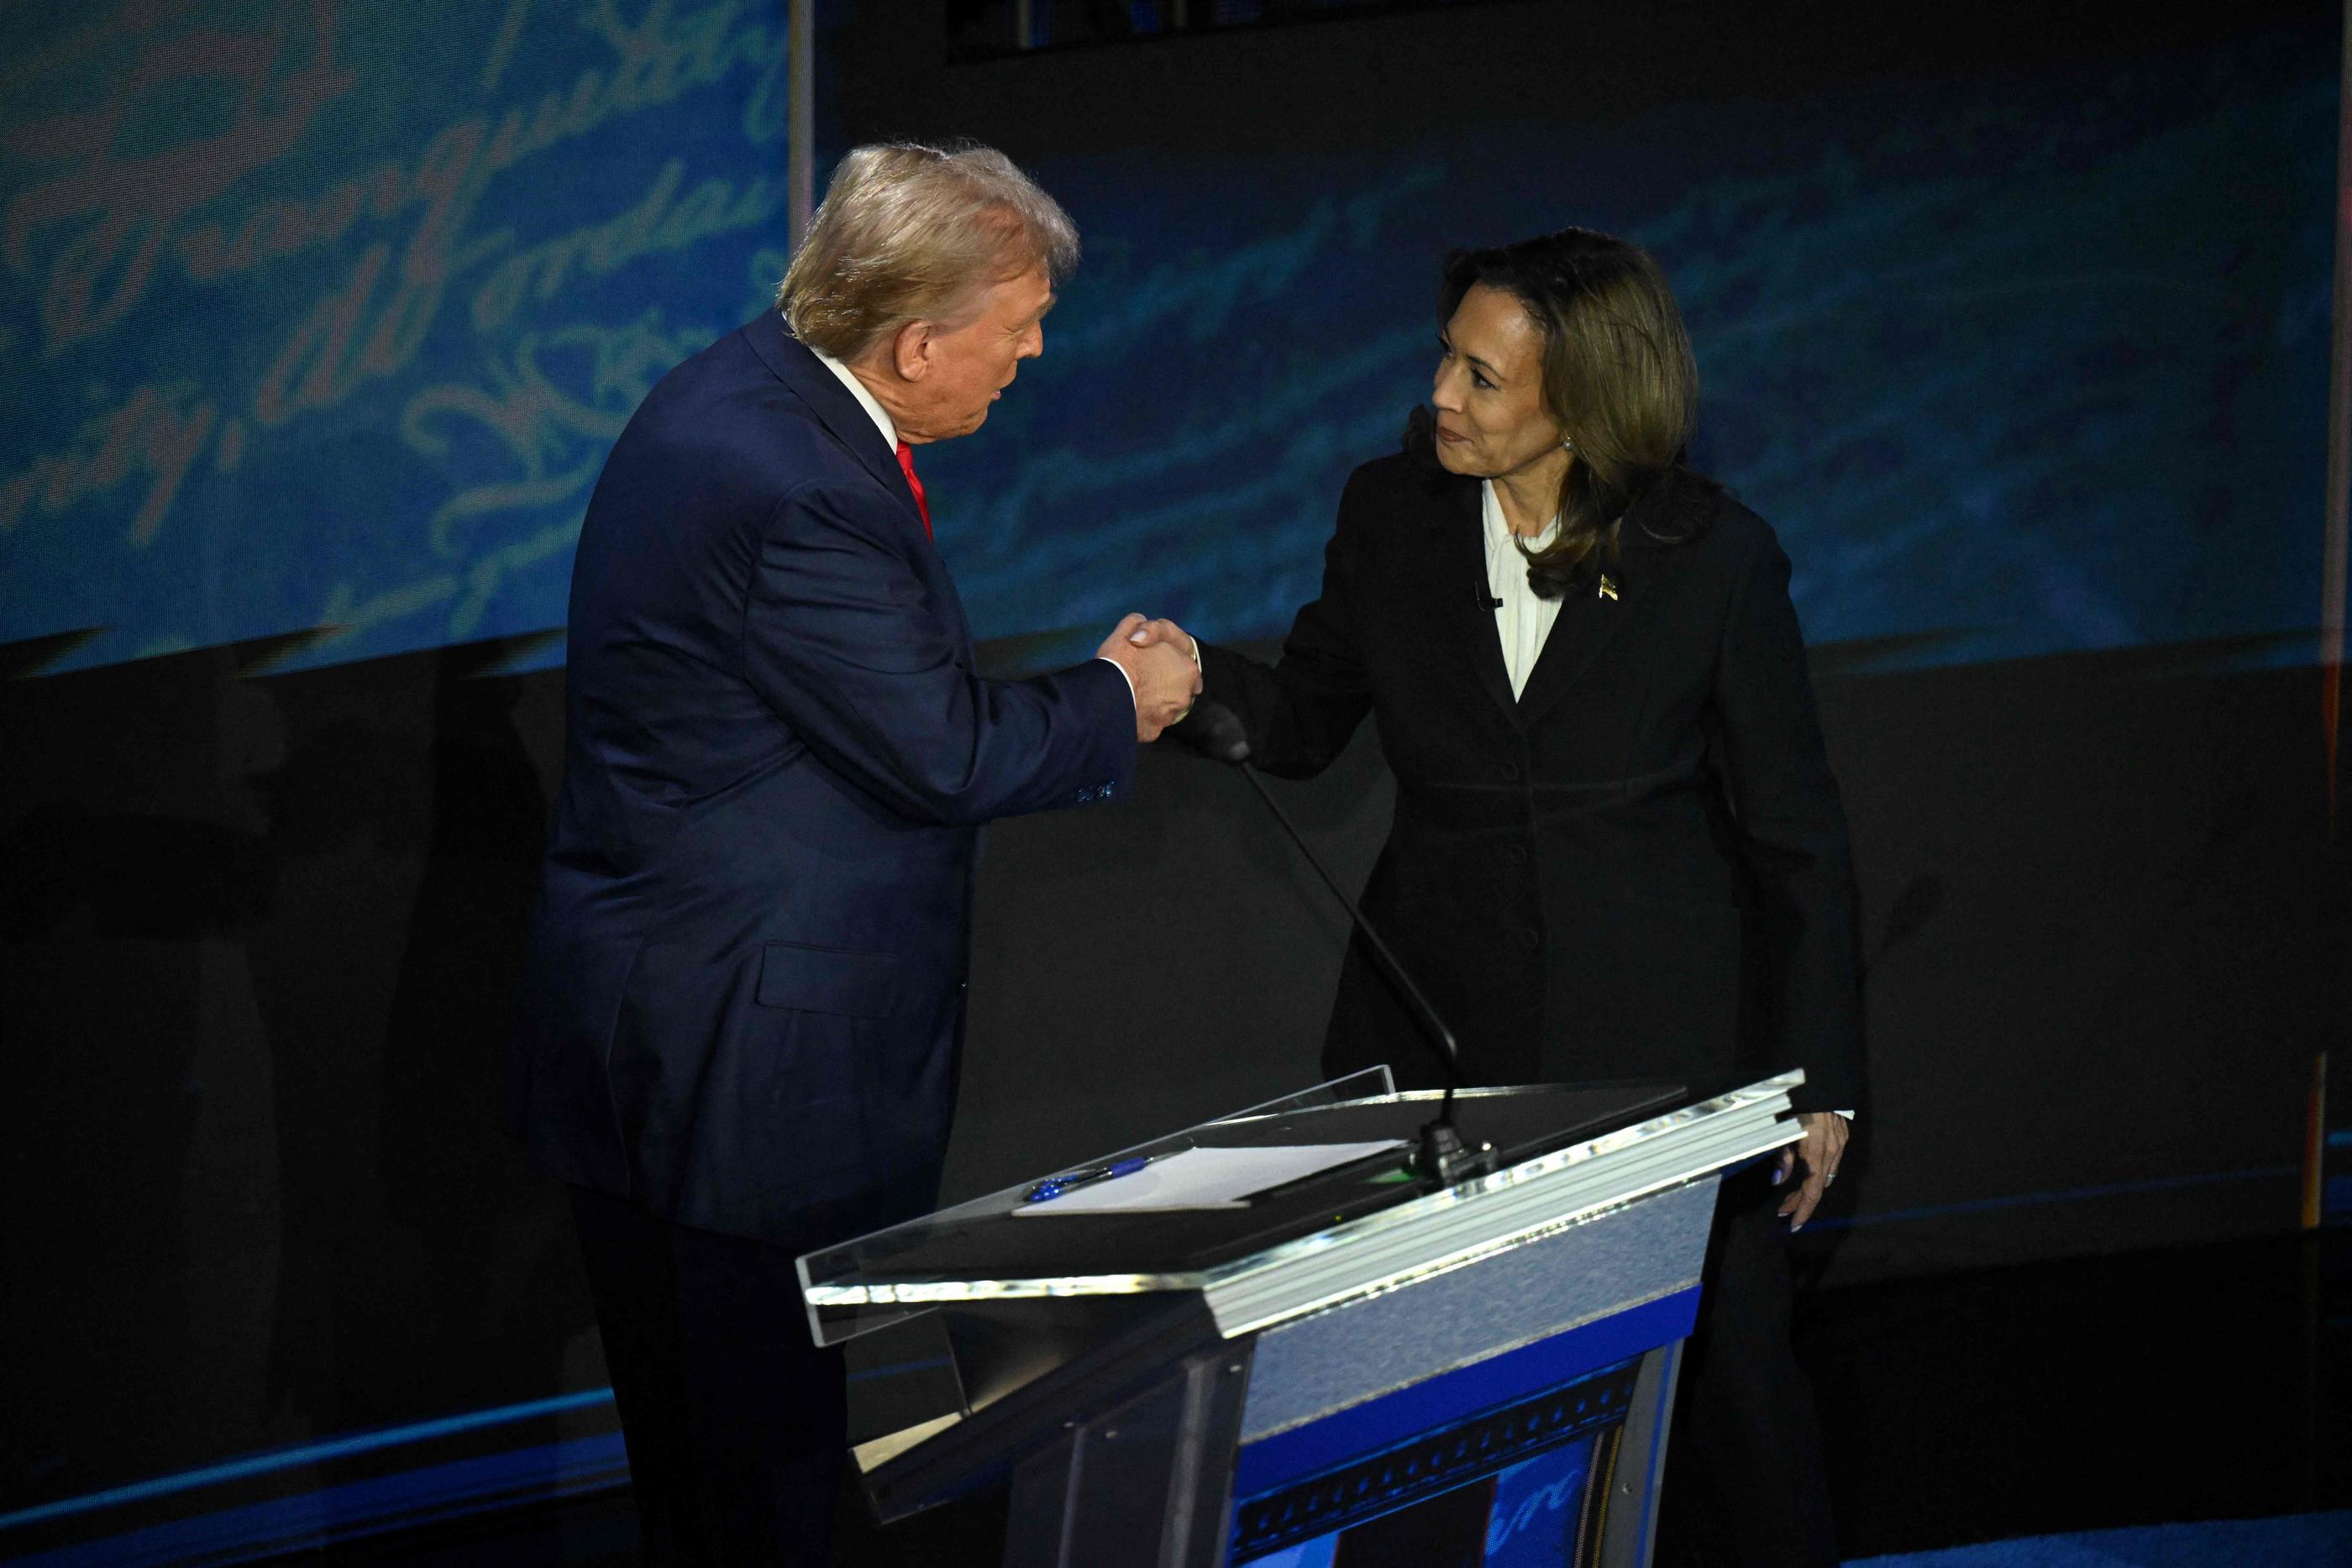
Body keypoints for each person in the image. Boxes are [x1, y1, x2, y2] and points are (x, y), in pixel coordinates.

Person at [506, 141, 1200, 1565]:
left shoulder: (745, 390)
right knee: (758, 1486)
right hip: (746, 1074)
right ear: (916, 339)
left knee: (710, 1470)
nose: (1035, 353)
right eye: (1016, 332)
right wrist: (1117, 699)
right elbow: (942, 751)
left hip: (672, 1033)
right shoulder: (797, 484)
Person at [1166, 228, 1861, 1567]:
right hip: (1443, 1037)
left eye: (1483, 378)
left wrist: (1821, 1080)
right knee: (1442, 1396)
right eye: (1446, 358)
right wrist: (1196, 685)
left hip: (1665, 1055)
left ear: (1582, 401)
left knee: (1732, 1392)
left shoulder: (1714, 557)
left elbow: (1797, 839)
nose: (1442, 393)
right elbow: (1307, 716)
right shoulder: (1390, 513)